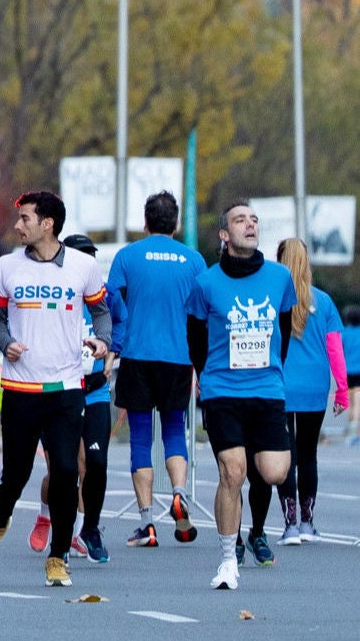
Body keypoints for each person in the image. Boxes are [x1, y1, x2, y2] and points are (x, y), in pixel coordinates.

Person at [0, 192, 110, 589]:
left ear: (48, 223)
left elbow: (101, 311)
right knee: (16, 474)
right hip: (19, 386)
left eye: (25, 218)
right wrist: (5, 342)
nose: (18, 225)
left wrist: (102, 342)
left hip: (66, 387)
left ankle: (58, 556)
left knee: (66, 472)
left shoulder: (83, 266)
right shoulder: (6, 266)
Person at [186, 201, 295, 591]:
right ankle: (228, 560)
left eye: (254, 220)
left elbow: (282, 329)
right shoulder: (207, 284)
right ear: (224, 234)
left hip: (267, 389)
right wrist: (209, 378)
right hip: (222, 390)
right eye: (239, 220)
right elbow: (196, 340)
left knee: (274, 472)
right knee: (232, 471)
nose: (249, 225)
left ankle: (251, 527)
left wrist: (271, 372)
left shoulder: (281, 278)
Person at [107, 189, 206, 547]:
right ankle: (179, 493)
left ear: (145, 221)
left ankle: (147, 524)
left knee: (139, 438)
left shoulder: (128, 256)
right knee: (174, 432)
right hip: (179, 357)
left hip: (137, 353)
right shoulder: (194, 261)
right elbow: (202, 312)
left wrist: (120, 335)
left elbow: (109, 299)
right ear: (176, 223)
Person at [26, 233, 117, 563]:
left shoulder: (102, 293)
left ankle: (86, 530)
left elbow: (115, 326)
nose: (86, 262)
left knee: (94, 463)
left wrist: (110, 353)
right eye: (80, 255)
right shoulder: (50, 289)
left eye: (91, 256)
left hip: (94, 391)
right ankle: (44, 515)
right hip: (59, 392)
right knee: (63, 470)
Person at [259, 237, 349, 545]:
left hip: (280, 385)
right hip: (314, 387)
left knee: (287, 456)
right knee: (309, 454)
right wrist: (342, 391)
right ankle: (309, 523)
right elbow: (335, 349)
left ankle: (290, 525)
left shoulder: (272, 298)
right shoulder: (323, 301)